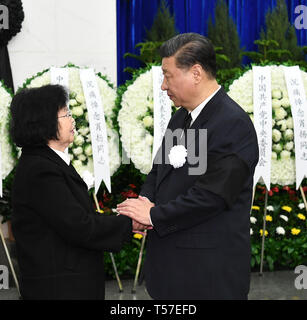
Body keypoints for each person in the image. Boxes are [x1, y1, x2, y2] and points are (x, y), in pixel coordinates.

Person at [117, 33, 259, 300]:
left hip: (208, 275)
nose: (163, 86)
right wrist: (144, 201)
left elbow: (212, 196)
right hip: (172, 268)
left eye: (168, 76)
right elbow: (161, 170)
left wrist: (154, 216)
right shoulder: (182, 117)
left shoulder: (232, 124)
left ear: (196, 73)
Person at [10, 84, 133, 300]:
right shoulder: (41, 170)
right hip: (59, 288)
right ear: (44, 122)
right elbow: (79, 225)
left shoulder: (47, 162)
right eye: (65, 114)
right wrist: (131, 222)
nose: (72, 120)